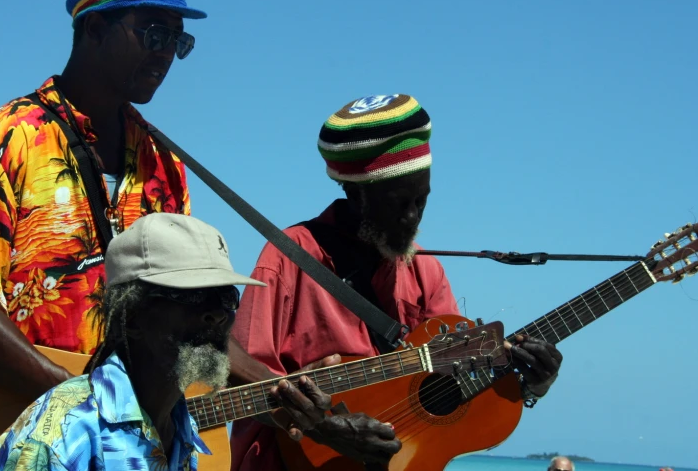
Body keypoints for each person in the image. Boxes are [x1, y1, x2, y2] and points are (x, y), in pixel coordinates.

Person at [0, 0, 206, 468]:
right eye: (154, 34)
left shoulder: (166, 167)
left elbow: (190, 317)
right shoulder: (12, 135)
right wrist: (87, 405)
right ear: (94, 28)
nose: (166, 55)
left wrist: (283, 394)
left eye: (178, 42)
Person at [228, 94, 564, 469]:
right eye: (398, 203)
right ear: (355, 194)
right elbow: (237, 382)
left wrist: (528, 382)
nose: (411, 217)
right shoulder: (288, 257)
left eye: (421, 201)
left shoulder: (427, 273)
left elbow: (452, 393)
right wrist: (321, 427)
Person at [0, 213, 333, 471]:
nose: (217, 314)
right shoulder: (64, 434)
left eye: (226, 297)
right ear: (133, 317)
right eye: (193, 298)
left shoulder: (180, 427)